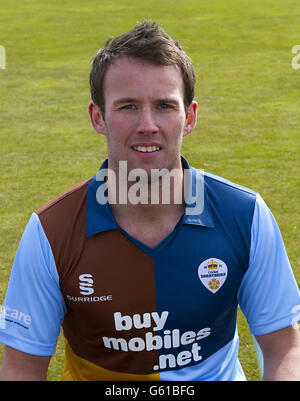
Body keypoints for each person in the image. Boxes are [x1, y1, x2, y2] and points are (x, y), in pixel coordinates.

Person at [0, 21, 300, 382]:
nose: (147, 124)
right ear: (98, 117)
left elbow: (284, 345)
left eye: (163, 106)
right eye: (127, 106)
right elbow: (21, 367)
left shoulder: (245, 215)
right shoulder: (51, 232)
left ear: (188, 117)